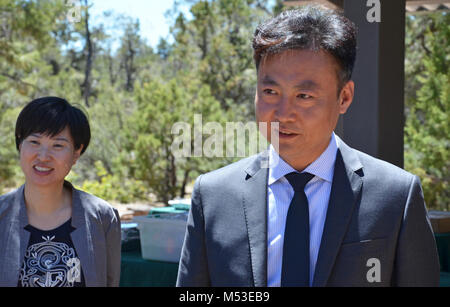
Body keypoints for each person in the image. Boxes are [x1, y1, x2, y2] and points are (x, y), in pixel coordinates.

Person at [176, 6, 440, 287]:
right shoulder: (213, 196)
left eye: (304, 95)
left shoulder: (396, 197)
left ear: (344, 97)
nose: (283, 113)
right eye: (270, 92)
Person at [0, 97, 121, 287]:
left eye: (58, 145)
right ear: (19, 144)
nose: (43, 156)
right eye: (34, 141)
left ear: (76, 153)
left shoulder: (102, 218)